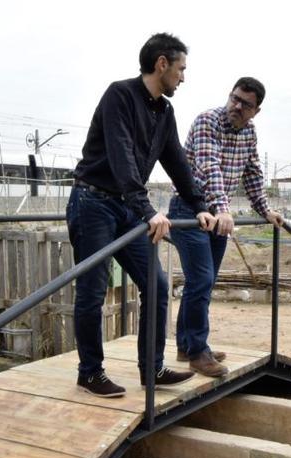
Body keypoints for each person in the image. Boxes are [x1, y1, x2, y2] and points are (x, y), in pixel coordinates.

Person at [67, 33, 216, 398]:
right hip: (94, 203)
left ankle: (153, 369)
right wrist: (148, 210)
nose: (183, 77)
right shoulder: (119, 94)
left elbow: (177, 164)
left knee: (157, 285)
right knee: (93, 291)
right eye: (181, 69)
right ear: (161, 64)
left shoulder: (164, 112)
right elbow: (121, 157)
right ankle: (90, 373)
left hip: (126, 208)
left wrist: (199, 205)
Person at [169, 77, 284, 377]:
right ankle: (197, 352)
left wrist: (265, 209)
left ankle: (187, 344)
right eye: (234, 98)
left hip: (217, 217)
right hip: (190, 210)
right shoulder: (209, 121)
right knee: (202, 280)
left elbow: (252, 172)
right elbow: (210, 168)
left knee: (202, 282)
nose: (236, 106)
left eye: (245, 104)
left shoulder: (249, 133)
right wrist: (222, 208)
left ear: (256, 111)